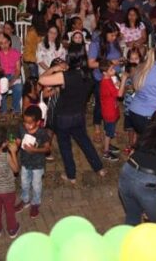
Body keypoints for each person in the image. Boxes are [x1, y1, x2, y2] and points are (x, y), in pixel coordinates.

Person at [38, 46, 106, 184]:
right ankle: (99, 168)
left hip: (63, 117)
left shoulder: (65, 76)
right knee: (85, 142)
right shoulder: (90, 75)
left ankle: (71, 176)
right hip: (79, 115)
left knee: (65, 147)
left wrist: (53, 69)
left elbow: (41, 80)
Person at [88, 22, 124, 142]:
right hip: (101, 78)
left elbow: (116, 56)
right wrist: (110, 62)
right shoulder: (96, 43)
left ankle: (109, 127)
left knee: (112, 102)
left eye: (116, 36)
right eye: (112, 35)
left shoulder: (114, 42)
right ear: (105, 33)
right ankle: (97, 127)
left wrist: (120, 60)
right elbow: (91, 63)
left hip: (114, 75)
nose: (114, 38)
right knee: (101, 104)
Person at [16, 105, 50, 218]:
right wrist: (15, 143)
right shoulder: (21, 128)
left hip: (38, 165)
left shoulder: (42, 133)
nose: (27, 125)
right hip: (25, 162)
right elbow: (18, 139)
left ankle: (35, 202)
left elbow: (47, 148)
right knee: (24, 183)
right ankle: (25, 200)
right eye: (25, 122)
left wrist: (35, 150)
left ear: (38, 122)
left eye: (30, 123)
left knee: (36, 185)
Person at [98, 59, 121, 162]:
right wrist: (123, 82)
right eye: (111, 69)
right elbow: (118, 94)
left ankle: (108, 145)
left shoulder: (110, 79)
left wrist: (117, 85)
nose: (114, 70)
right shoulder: (106, 82)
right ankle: (106, 152)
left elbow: (115, 89)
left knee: (109, 130)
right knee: (108, 133)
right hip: (109, 112)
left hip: (112, 109)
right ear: (104, 72)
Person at [0, 33, 23, 114]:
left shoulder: (15, 53)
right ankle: (3, 110)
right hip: (1, 76)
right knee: (2, 88)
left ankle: (15, 109)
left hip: (13, 75)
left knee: (19, 88)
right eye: (1, 43)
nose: (4, 45)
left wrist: (11, 82)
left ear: (9, 42)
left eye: (6, 42)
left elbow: (18, 70)